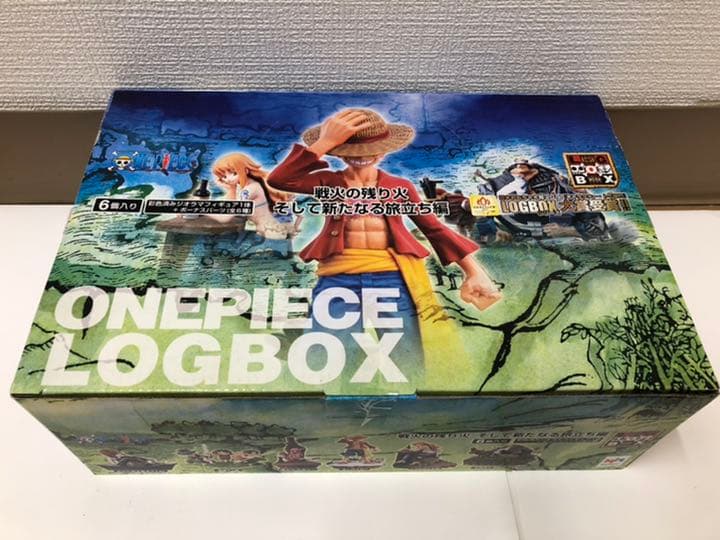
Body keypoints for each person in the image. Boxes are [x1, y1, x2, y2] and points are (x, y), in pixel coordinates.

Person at [267, 109, 501, 376]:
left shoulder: (399, 186)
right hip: (338, 276)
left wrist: (474, 271)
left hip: (392, 277)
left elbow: (433, 228)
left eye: (372, 149)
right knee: (325, 352)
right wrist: (325, 142)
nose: (363, 156)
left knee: (407, 353)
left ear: (385, 151)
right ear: (339, 153)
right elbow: (279, 179)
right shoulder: (327, 181)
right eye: (352, 151)